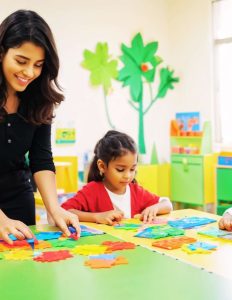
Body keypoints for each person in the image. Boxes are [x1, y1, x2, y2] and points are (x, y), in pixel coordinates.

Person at [0, 10, 80, 244]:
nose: (29, 73)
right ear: (2, 52)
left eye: (38, 65)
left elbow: (41, 159)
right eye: (21, 61)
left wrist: (54, 209)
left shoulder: (39, 99)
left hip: (19, 202)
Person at [61, 130, 173, 224]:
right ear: (102, 166)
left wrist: (154, 208)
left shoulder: (136, 191)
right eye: (120, 170)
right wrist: (96, 217)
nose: (128, 176)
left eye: (132, 169)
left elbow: (167, 204)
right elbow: (63, 211)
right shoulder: (92, 190)